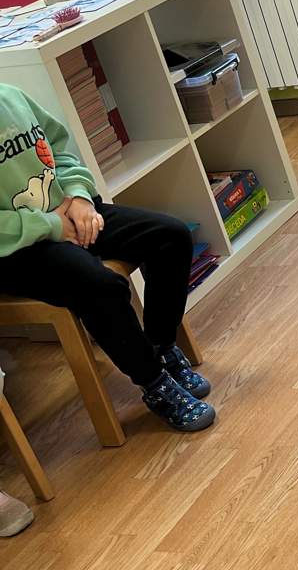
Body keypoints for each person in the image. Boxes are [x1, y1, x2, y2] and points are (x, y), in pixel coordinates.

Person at [0, 85, 214, 431]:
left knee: (170, 236)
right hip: (16, 249)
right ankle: (155, 382)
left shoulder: (10, 94)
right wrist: (50, 225)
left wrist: (79, 196)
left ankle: (160, 346)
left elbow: (59, 151)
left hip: (66, 212)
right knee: (100, 285)